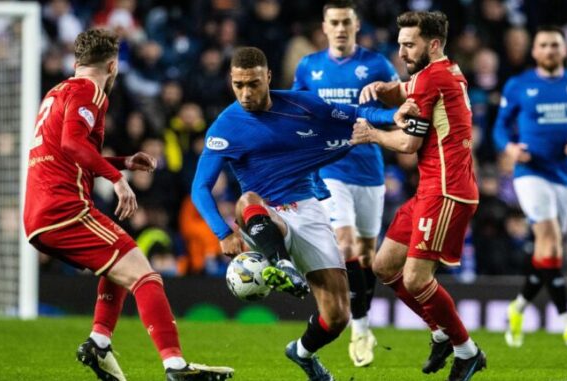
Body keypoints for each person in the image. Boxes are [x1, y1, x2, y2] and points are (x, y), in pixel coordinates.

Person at [22, 29, 233, 381]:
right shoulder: (88, 90)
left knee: (119, 261)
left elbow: (65, 149)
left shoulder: (58, 92)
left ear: (76, 63)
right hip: (64, 209)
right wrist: (117, 180)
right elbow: (73, 144)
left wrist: (122, 162)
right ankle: (175, 365)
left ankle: (99, 342)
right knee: (145, 275)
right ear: (113, 65)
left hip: (42, 210)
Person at [192, 46, 396, 381]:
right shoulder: (226, 126)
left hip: (307, 209)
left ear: (268, 78)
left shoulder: (303, 105)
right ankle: (280, 262)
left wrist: (395, 117)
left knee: (338, 317)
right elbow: (201, 188)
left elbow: (356, 113)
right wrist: (223, 232)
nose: (245, 93)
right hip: (264, 216)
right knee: (247, 199)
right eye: (238, 84)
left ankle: (301, 353)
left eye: (253, 84)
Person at [354, 11, 486, 381]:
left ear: (434, 44)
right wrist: (387, 87)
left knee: (415, 279)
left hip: (447, 192)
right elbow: (411, 91)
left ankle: (467, 350)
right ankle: (441, 331)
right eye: (399, 44)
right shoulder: (442, 72)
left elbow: (409, 143)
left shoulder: (431, 79)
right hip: (429, 189)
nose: (402, 51)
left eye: (409, 45)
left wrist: (373, 135)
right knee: (384, 267)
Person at [291, 0, 399, 367]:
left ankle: (363, 324)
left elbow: (394, 112)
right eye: (334, 22)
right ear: (324, 26)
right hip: (328, 170)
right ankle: (355, 321)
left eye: (346, 22)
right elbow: (297, 109)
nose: (340, 28)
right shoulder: (309, 67)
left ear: (356, 25)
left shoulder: (377, 65)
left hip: (368, 171)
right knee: (346, 241)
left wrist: (383, 117)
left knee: (368, 254)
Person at [493, 25, 567, 348]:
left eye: (555, 45)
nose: (549, 50)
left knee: (549, 249)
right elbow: (500, 128)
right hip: (530, 172)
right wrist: (511, 148)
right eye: (543, 45)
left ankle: (517, 308)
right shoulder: (518, 85)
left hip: (566, 174)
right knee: (551, 237)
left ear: (564, 50)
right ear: (534, 51)